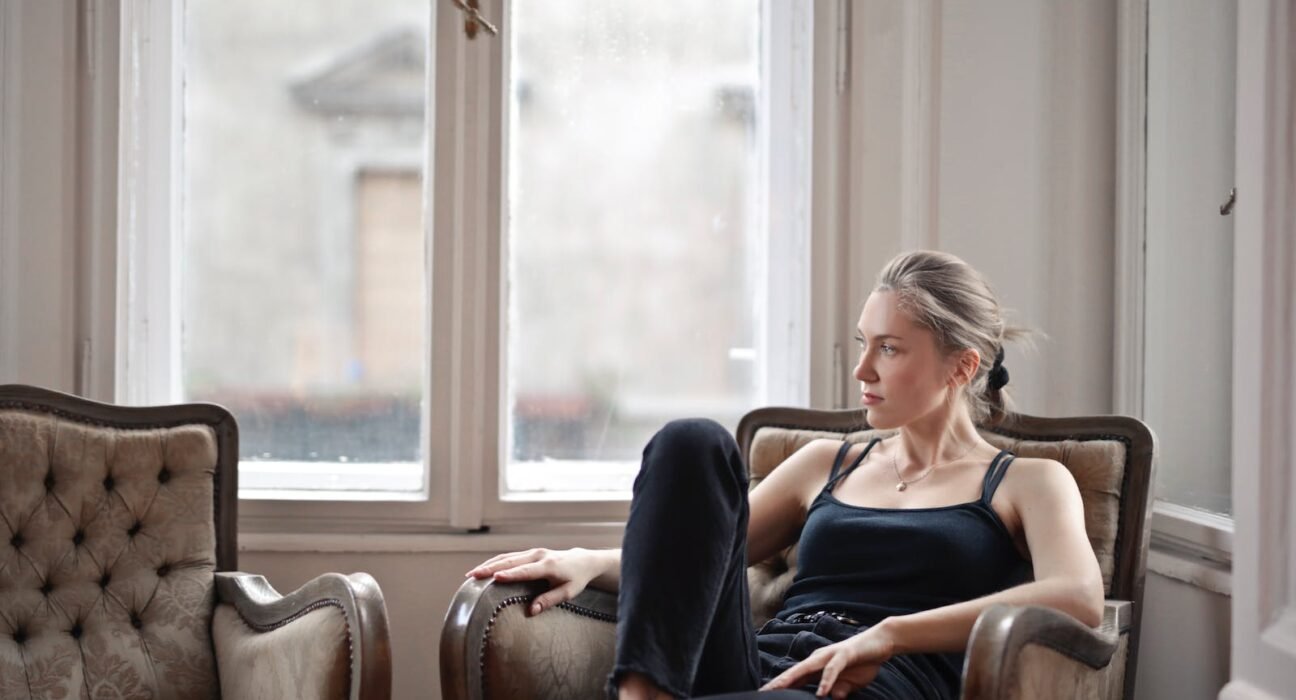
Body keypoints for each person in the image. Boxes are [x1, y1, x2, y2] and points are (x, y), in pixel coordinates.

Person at [467, 250, 1104, 699]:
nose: (863, 371)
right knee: (694, 441)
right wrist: (586, 559)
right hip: (757, 666)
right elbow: (701, 557)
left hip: (866, 684)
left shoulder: (1029, 482)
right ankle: (645, 693)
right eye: (863, 342)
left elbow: (1079, 598)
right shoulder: (828, 463)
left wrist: (887, 636)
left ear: (961, 368)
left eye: (889, 348)